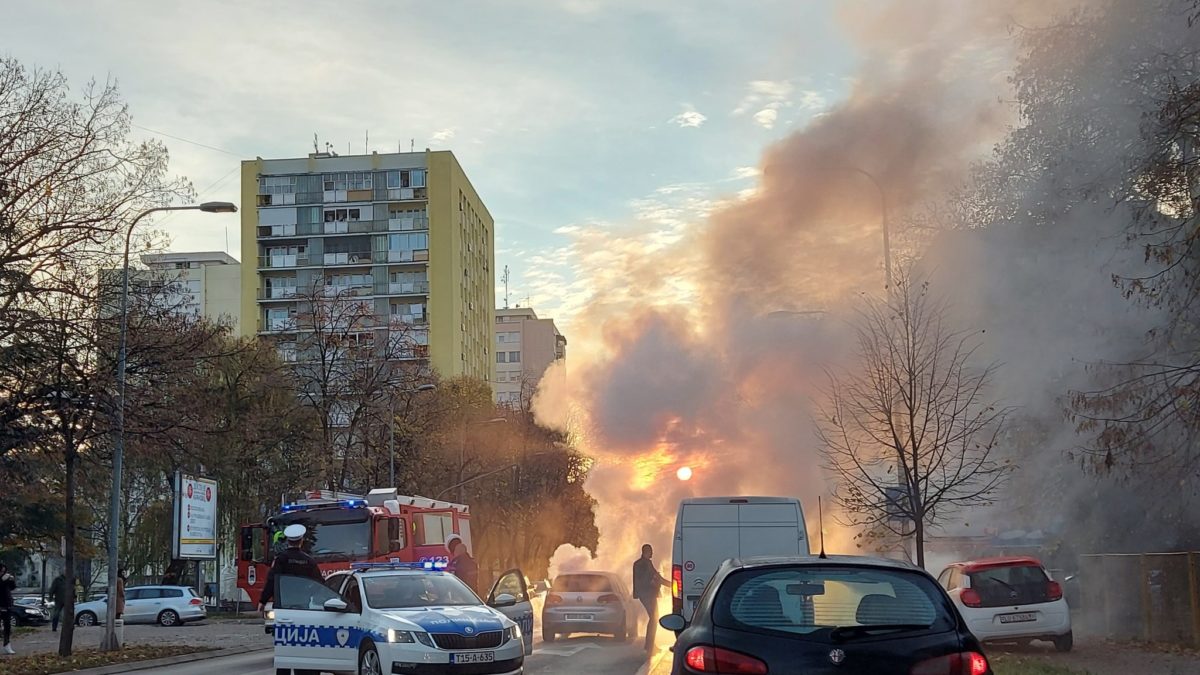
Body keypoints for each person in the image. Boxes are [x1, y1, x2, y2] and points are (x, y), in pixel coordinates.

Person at [257, 524, 322, 612]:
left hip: (283, 602)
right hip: (302, 603)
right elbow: (319, 583)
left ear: (287, 541)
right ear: (301, 540)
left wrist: (263, 601)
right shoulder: (309, 561)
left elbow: (272, 581)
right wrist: (309, 593)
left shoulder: (281, 559)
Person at [632, 543, 670, 652]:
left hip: (647, 594)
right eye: (651, 551)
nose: (652, 553)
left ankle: (650, 645)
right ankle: (649, 646)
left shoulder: (643, 563)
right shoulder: (643, 564)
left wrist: (671, 585)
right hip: (647, 594)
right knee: (654, 618)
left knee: (654, 618)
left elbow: (657, 578)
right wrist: (671, 585)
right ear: (646, 552)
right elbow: (653, 579)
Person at [1, 562, 15, 655]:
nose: (2, 573)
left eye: (4, 571)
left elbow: (12, 588)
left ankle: (7, 644)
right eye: (1, 571)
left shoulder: (6, 579)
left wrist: (12, 581)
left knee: (7, 626)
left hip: (6, 604)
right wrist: (2, 580)